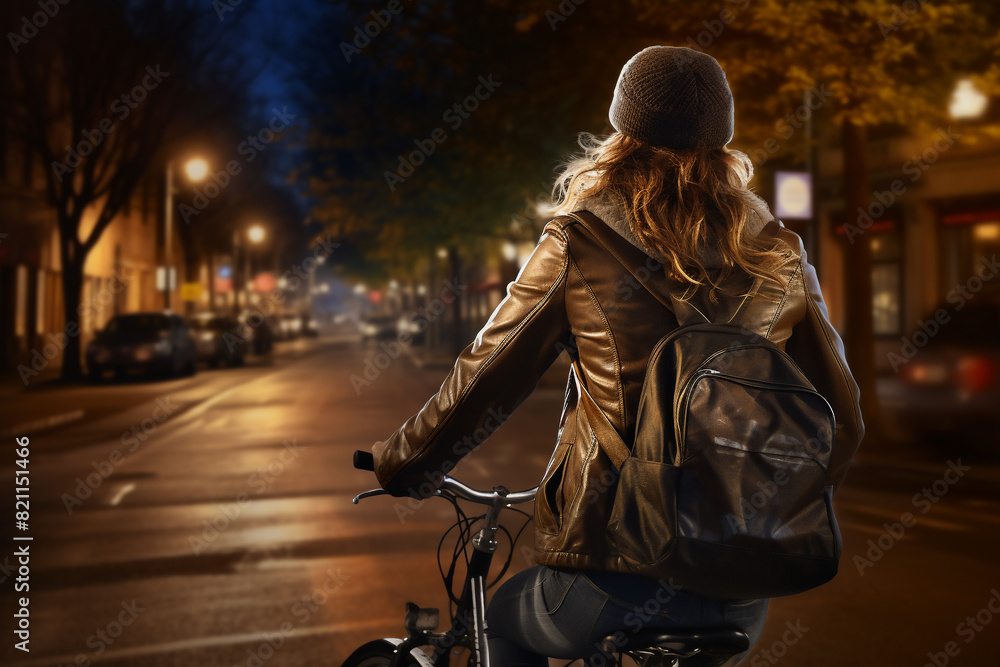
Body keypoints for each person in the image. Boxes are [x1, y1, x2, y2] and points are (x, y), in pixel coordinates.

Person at [372, 46, 864, 666]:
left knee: (499, 621)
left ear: (621, 132)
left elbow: (487, 376)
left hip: (613, 570)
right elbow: (840, 411)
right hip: (743, 584)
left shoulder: (581, 239)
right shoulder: (777, 252)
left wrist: (405, 463)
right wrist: (775, 503)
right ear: (722, 141)